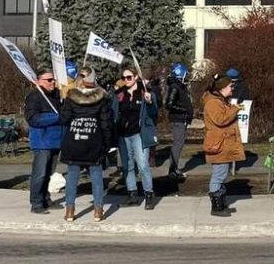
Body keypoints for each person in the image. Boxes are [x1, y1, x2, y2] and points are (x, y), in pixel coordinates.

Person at [60, 68, 113, 222]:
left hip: (74, 141)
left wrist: (63, 102)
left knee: (72, 177)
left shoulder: (71, 97)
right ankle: (98, 210)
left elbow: (63, 119)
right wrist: (108, 143)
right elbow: (106, 124)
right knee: (96, 177)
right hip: (94, 142)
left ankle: (70, 211)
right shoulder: (101, 99)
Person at [113, 68, 159, 210]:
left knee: (143, 165)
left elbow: (154, 113)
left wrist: (150, 101)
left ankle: (149, 194)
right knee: (128, 166)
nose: (127, 80)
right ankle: (132, 194)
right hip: (123, 135)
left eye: (129, 77)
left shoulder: (144, 92)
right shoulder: (119, 94)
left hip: (139, 134)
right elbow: (114, 111)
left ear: (136, 77)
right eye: (124, 77)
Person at [202, 76, 243, 217]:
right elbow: (220, 119)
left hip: (222, 144)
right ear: (222, 88)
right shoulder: (213, 102)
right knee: (218, 176)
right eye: (230, 86)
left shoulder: (218, 101)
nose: (232, 89)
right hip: (218, 145)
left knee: (221, 174)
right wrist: (235, 109)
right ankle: (216, 207)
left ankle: (221, 203)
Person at [25, 68, 63, 214]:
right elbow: (33, 119)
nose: (53, 82)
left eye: (53, 79)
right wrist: (57, 117)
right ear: (39, 81)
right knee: (39, 173)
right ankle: (36, 202)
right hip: (42, 141)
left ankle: (45, 198)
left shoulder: (57, 95)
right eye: (49, 80)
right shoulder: (34, 97)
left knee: (49, 173)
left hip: (55, 140)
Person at [164, 62, 193, 181]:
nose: (186, 78)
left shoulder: (180, 86)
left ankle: (174, 168)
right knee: (178, 144)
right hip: (178, 119)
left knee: (179, 143)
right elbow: (169, 104)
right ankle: (173, 169)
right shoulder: (175, 87)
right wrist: (184, 111)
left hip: (182, 119)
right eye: (185, 75)